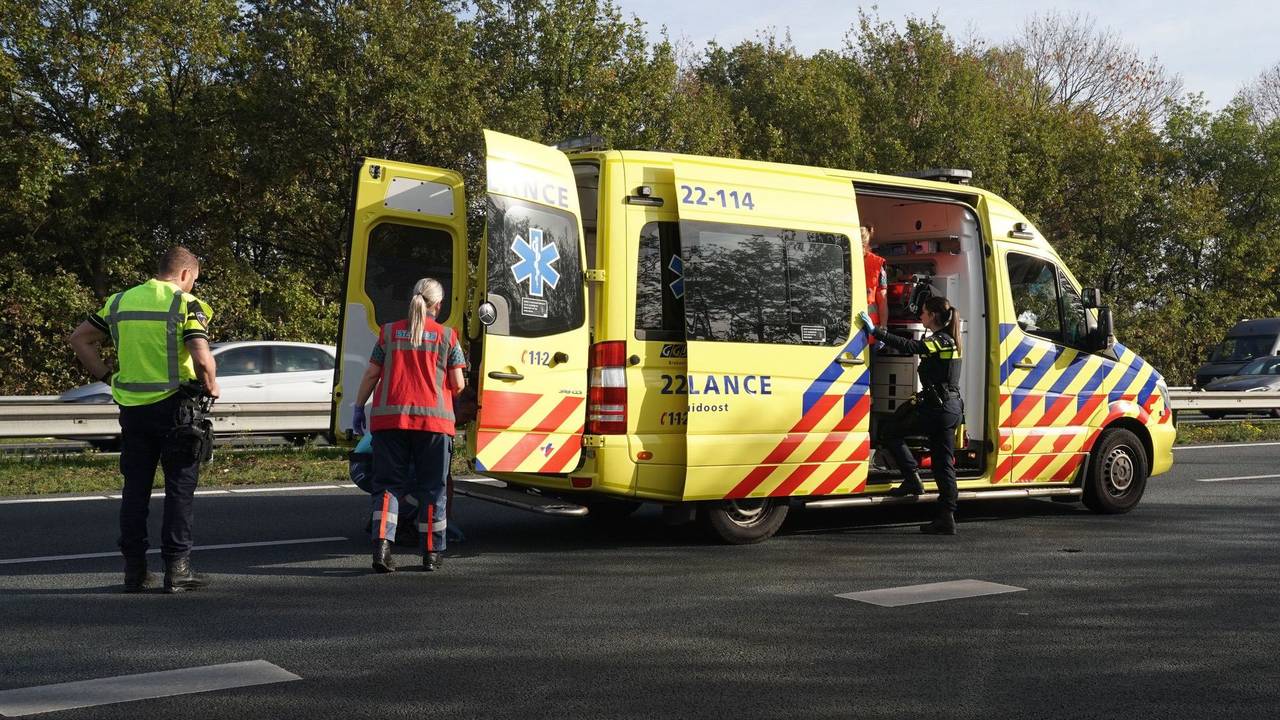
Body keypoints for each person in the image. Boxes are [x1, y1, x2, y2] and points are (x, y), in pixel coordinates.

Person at [68, 246, 220, 591]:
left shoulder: (120, 302)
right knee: (179, 488)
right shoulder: (185, 304)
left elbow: (79, 339)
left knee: (135, 490)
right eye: (193, 280)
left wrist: (108, 377)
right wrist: (211, 385)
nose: (192, 286)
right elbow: (201, 355)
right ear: (185, 274)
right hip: (176, 409)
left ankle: (134, 571)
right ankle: (177, 570)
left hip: (132, 410)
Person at [352, 278, 466, 573]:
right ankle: (430, 553)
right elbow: (458, 384)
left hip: (390, 422)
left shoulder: (388, 332)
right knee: (432, 489)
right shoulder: (448, 337)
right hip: (434, 425)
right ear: (438, 306)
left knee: (387, 487)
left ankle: (382, 548)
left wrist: (358, 407)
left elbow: (371, 375)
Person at [859, 295, 963, 535]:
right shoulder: (946, 340)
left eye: (924, 312)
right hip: (945, 407)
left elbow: (912, 347)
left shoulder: (943, 341)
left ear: (934, 316)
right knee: (943, 464)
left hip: (939, 409)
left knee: (889, 431)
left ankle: (913, 480)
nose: (920, 316)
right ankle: (946, 517)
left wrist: (878, 332)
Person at [861, 225, 888, 329]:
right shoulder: (877, 264)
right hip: (870, 330)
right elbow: (882, 298)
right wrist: (883, 328)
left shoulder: (842, 259)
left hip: (852, 328)